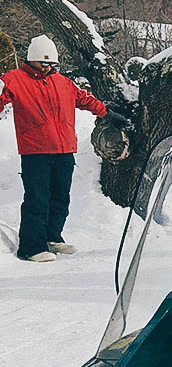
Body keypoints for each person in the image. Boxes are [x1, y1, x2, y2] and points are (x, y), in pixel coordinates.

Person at [0, 35, 112, 262]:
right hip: (35, 152)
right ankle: (31, 247)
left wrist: (106, 112)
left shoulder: (62, 82)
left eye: (53, 63)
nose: (49, 67)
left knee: (60, 198)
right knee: (37, 199)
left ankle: (52, 237)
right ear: (32, 60)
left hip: (63, 150)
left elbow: (84, 99)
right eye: (44, 63)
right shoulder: (15, 79)